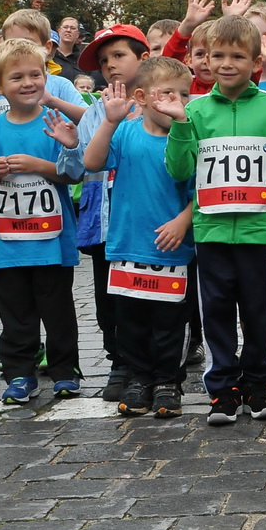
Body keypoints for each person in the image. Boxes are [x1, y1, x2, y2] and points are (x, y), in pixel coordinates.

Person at [161, 15, 266, 423]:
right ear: (207, 61)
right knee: (215, 310)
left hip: (256, 231)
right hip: (211, 230)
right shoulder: (195, 110)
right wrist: (180, 125)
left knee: (257, 310)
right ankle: (222, 388)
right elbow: (180, 170)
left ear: (255, 62)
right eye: (218, 55)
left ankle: (258, 381)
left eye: (237, 55)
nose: (227, 63)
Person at [0, 39, 85, 405]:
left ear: (46, 79)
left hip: (52, 240)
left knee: (58, 311)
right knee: (15, 313)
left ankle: (65, 371)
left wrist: (42, 165)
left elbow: (73, 174)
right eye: (17, 77)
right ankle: (19, 373)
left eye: (34, 74)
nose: (27, 82)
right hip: (8, 243)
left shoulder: (56, 122)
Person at [84, 57, 196, 419]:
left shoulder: (189, 136)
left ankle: (167, 380)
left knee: (170, 323)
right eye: (167, 93)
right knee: (130, 321)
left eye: (184, 94)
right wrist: (110, 121)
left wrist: (183, 220)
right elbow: (92, 161)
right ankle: (139, 378)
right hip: (127, 245)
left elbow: (201, 188)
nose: (176, 101)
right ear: (142, 97)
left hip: (173, 249)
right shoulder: (126, 131)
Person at [71, 23, 153, 403]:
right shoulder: (94, 111)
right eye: (104, 61)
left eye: (119, 56)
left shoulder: (158, 104)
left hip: (151, 218)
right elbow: (84, 164)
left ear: (143, 58)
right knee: (110, 296)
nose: (110, 66)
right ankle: (119, 361)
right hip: (106, 223)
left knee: (156, 296)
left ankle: (160, 362)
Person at [0, 10, 88, 124]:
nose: (20, 50)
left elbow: (91, 119)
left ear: (47, 48)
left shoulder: (61, 86)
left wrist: (53, 102)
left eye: (28, 43)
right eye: (12, 43)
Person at [52, 16, 90, 86]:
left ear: (78, 34)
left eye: (73, 28)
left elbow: (92, 83)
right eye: (65, 27)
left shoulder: (83, 60)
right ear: (59, 30)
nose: (68, 30)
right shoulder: (49, 56)